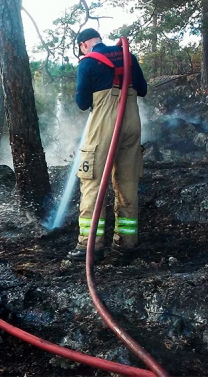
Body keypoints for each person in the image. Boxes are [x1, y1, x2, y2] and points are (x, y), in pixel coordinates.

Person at [67, 28, 147, 261]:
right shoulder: (128, 56)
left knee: (92, 182)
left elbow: (82, 103)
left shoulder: (88, 62)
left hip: (105, 126)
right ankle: (126, 244)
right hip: (131, 125)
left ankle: (89, 246)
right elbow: (142, 89)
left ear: (83, 45)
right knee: (127, 181)